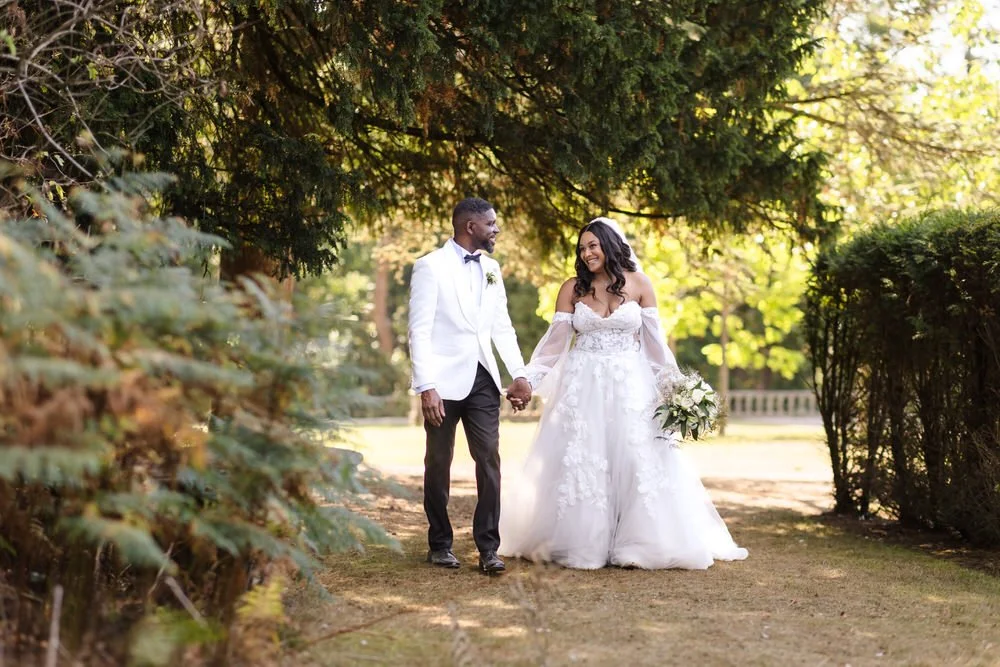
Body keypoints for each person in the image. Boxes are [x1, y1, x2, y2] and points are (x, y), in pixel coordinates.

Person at [498, 217, 748, 570]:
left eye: (592, 246)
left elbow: (655, 345)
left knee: (635, 458)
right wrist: (527, 379)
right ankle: (582, 542)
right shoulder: (573, 288)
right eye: (582, 249)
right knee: (583, 457)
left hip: (630, 385)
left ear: (610, 245)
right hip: (583, 386)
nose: (586, 254)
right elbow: (554, 345)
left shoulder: (640, 284)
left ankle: (639, 543)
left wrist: (678, 389)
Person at [407, 197, 533, 575]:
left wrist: (519, 373)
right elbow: (419, 331)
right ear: (470, 227)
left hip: (483, 380)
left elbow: (501, 327)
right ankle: (439, 544)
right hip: (441, 383)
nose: (496, 229)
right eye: (491, 224)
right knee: (438, 462)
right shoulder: (430, 266)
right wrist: (426, 386)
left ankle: (488, 548)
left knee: (489, 458)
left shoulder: (491, 268)